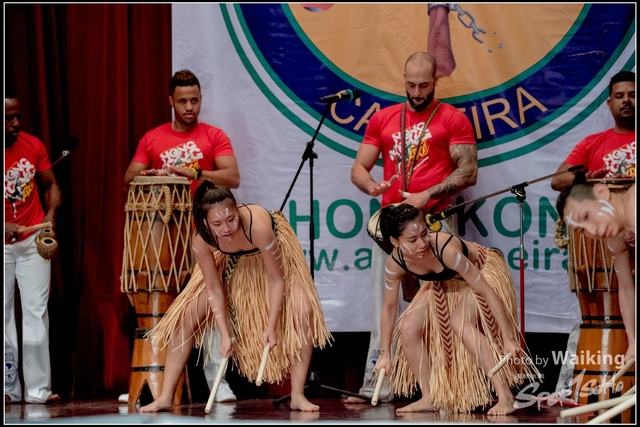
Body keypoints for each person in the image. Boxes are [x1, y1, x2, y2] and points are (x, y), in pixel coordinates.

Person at [349, 51, 478, 402]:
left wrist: (427, 194)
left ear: (436, 80)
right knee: (385, 305)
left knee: (443, 306)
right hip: (393, 227)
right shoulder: (384, 118)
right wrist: (370, 185)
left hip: (433, 225)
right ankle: (379, 384)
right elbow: (359, 168)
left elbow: (468, 171)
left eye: (424, 85)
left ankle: (449, 387)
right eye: (410, 84)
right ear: (403, 80)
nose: (417, 92)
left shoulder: (453, 118)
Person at [138, 182, 332, 412]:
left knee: (303, 309)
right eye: (217, 224)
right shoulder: (202, 240)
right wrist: (224, 332)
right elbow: (213, 287)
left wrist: (271, 326)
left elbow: (277, 279)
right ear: (205, 223)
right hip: (229, 259)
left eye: (231, 219)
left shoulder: (257, 226)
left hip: (272, 264)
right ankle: (165, 397)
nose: (227, 228)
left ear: (237, 209)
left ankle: (298, 395)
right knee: (186, 314)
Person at [122, 69, 241, 403]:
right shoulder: (153, 138)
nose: (190, 107)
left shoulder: (213, 135)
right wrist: (147, 172)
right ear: (171, 101)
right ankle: (155, 378)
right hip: (162, 240)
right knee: (160, 309)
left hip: (204, 234)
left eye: (195, 100)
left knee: (213, 305)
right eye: (183, 101)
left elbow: (233, 176)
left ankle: (218, 382)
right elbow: (129, 178)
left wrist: (195, 172)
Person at [373, 203, 539, 415]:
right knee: (408, 326)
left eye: (424, 234)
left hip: (482, 272)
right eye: (412, 240)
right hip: (446, 283)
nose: (422, 243)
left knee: (460, 322)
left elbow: (487, 291)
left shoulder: (446, 251)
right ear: (395, 242)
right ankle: (429, 396)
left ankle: (505, 396)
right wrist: (385, 353)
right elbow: (389, 309)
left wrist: (508, 338)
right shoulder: (394, 264)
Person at [550, 70, 635, 396]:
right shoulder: (593, 144)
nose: (627, 100)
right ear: (609, 103)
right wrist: (588, 177)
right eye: (620, 95)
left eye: (633, 94)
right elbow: (559, 181)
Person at [5, 93, 62, 404]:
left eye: (18, 117)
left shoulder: (32, 144)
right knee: (2, 317)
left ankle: (39, 391)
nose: (16, 124)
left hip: (31, 240)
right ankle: (7, 388)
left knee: (36, 313)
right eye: (8, 118)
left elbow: (51, 184)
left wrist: (50, 214)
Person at [556, 172, 635, 364]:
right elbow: (626, 288)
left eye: (587, 216)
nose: (592, 230)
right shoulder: (615, 234)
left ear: (601, 191)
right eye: (582, 230)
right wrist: (633, 342)